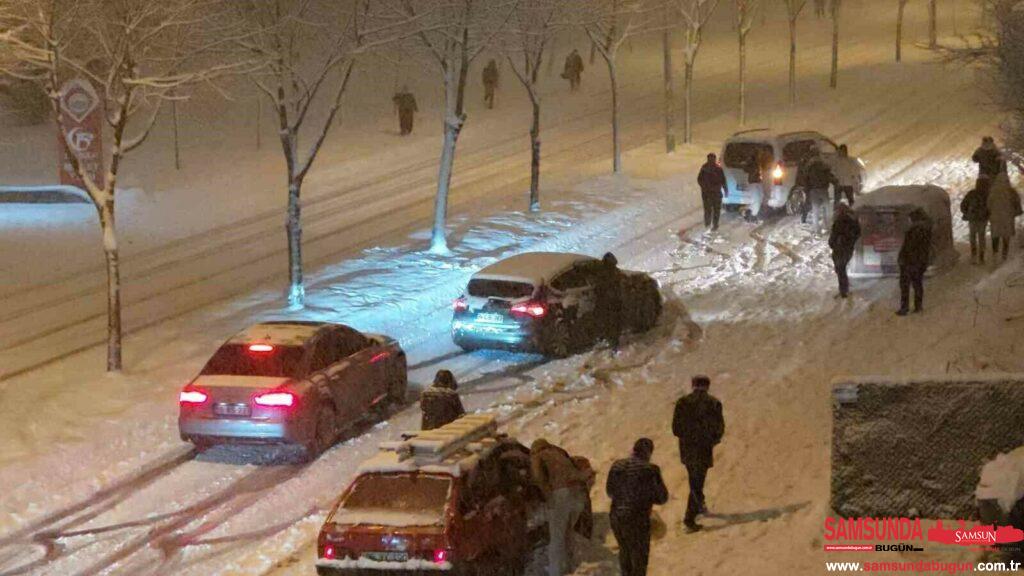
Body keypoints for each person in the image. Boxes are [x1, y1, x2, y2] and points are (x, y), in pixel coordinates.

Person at [606, 438, 669, 576]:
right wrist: (644, 498)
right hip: (638, 518)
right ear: (649, 453)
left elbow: (610, 492)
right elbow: (662, 497)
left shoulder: (617, 465)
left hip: (617, 517)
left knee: (625, 551)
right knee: (639, 558)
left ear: (633, 449)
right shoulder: (651, 470)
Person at [531, 438, 591, 576]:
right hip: (577, 492)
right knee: (568, 533)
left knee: (557, 537)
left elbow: (538, 477)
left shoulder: (538, 456)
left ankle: (556, 572)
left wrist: (547, 496)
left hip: (560, 493)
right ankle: (571, 567)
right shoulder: (557, 452)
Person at [672, 375, 724, 533]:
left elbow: (676, 429)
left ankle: (699, 505)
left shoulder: (682, 402)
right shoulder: (714, 403)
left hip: (687, 450)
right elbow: (719, 430)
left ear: (692, 385)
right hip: (703, 450)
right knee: (697, 483)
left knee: (693, 480)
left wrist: (687, 439)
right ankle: (689, 520)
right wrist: (710, 441)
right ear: (707, 386)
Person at [896, 208, 932, 316]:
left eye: (910, 219)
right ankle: (918, 306)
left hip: (910, 262)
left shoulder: (914, 230)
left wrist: (902, 259)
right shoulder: (926, 229)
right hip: (920, 261)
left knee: (905, 285)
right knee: (917, 284)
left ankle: (904, 308)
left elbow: (909, 247)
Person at [987, 168, 1022, 264]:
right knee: (1006, 236)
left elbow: (988, 204)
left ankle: (995, 254)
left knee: (996, 235)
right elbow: (1017, 204)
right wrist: (1016, 212)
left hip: (995, 217)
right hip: (1008, 217)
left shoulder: (993, 191)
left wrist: (991, 213)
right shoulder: (1011, 192)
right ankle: (1004, 255)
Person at [829, 202, 861, 299]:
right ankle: (844, 288)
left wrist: (833, 243)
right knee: (841, 268)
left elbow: (833, 235)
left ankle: (844, 290)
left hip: (841, 248)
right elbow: (857, 233)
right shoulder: (852, 220)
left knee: (840, 269)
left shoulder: (839, 221)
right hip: (846, 248)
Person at [802, 147, 838, 233]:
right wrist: (835, 182)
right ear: (818, 154)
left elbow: (805, 179)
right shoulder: (823, 165)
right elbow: (829, 176)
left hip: (813, 191)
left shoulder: (808, 166)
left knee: (815, 210)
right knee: (827, 209)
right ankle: (828, 226)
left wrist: (807, 190)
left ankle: (817, 230)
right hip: (823, 189)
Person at [960, 175, 991, 264]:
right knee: (981, 237)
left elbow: (963, 204)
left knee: (972, 236)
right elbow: (990, 207)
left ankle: (973, 255)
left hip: (972, 218)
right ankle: (981, 256)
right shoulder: (987, 194)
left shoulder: (972, 193)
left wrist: (966, 213)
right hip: (983, 218)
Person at [594, 252, 622, 348]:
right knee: (612, 323)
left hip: (607, 303)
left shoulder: (602, 273)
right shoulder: (611, 273)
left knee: (610, 324)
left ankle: (610, 341)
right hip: (611, 303)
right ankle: (613, 343)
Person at [697, 153, 726, 231]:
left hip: (711, 193)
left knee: (711, 209)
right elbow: (700, 180)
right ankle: (711, 224)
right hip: (712, 193)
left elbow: (723, 180)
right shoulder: (707, 169)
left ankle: (710, 224)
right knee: (712, 209)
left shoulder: (708, 168)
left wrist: (705, 187)